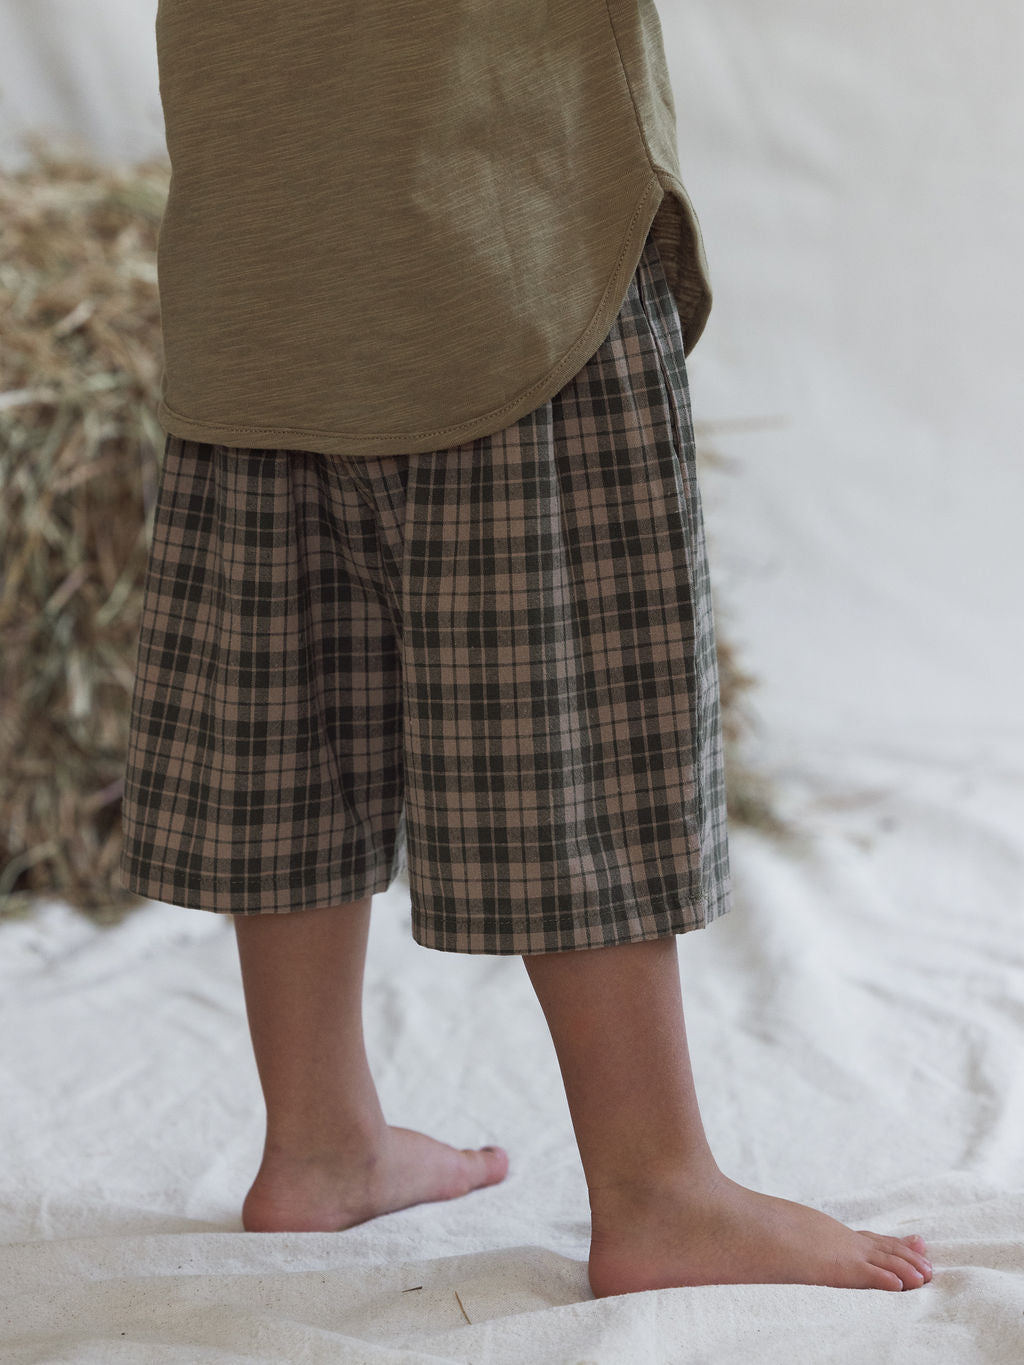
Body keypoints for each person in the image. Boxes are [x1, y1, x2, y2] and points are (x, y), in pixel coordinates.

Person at [119, 0, 931, 1296]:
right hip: (501, 226)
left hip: (260, 251)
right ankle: (657, 1188)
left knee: (293, 696)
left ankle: (320, 1140)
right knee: (576, 715)